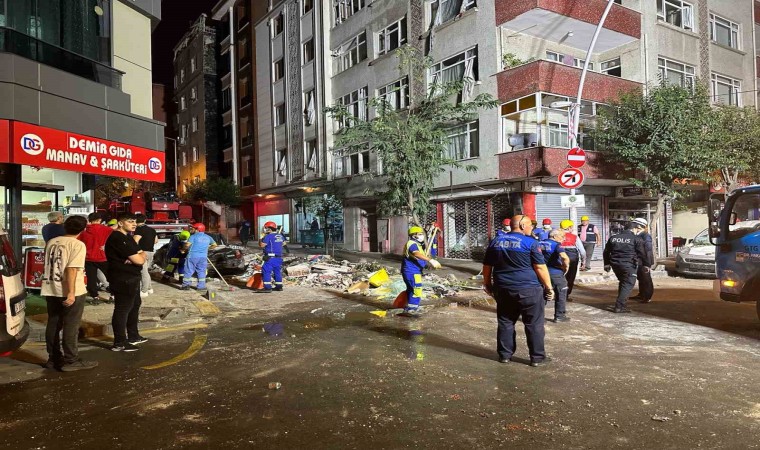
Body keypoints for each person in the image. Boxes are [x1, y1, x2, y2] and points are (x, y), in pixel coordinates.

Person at [482, 215, 554, 366]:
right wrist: (549, 287)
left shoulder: (495, 242)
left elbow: (487, 265)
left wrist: (487, 283)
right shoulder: (531, 243)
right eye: (529, 226)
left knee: (505, 321)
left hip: (503, 288)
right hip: (529, 289)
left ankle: (504, 355)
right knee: (534, 324)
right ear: (521, 226)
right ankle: (537, 358)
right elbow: (540, 267)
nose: (531, 228)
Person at [41, 215, 98, 371]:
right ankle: (71, 360)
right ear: (83, 229)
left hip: (51, 288)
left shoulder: (52, 242)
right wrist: (71, 293)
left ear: (65, 226)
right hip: (71, 290)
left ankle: (53, 359)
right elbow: (72, 269)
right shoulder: (77, 245)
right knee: (71, 325)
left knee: (53, 323)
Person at [105, 213, 147, 352]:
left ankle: (133, 336)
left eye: (135, 221)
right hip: (123, 279)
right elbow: (140, 259)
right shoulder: (117, 237)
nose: (134, 224)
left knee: (135, 305)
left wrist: (137, 256)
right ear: (121, 223)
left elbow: (142, 254)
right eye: (130, 221)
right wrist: (137, 257)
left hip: (132, 277)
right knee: (122, 309)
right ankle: (119, 342)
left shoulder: (127, 237)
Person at [603, 218, 651, 313]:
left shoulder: (613, 238)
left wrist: (606, 264)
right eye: (638, 229)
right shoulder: (636, 239)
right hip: (629, 265)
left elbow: (606, 251)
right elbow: (642, 253)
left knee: (623, 282)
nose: (638, 231)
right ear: (635, 228)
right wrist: (646, 265)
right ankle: (620, 306)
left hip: (615, 265)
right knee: (628, 283)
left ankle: (621, 304)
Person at [400, 226, 442, 316]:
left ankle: (408, 308)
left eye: (422, 234)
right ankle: (412, 310)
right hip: (412, 272)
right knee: (417, 290)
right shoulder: (412, 244)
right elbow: (416, 254)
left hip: (410, 271)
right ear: (414, 236)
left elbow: (417, 257)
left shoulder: (417, 244)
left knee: (411, 290)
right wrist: (430, 260)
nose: (422, 236)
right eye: (420, 234)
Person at [78, 212, 113, 300]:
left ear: (89, 220)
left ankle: (94, 296)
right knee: (110, 276)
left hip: (88, 258)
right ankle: (113, 294)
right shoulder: (107, 230)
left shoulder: (83, 231)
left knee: (91, 278)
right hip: (103, 257)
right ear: (100, 220)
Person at [539, 229, 571, 322]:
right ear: (554, 236)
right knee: (561, 292)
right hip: (555, 273)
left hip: (542, 273)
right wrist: (566, 266)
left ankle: (539, 317)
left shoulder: (539, 243)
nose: (563, 239)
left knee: (543, 294)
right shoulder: (556, 245)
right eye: (562, 236)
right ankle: (559, 316)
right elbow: (564, 257)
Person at [182, 223, 217, 291]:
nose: (192, 229)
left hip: (192, 256)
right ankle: (201, 286)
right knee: (201, 271)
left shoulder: (193, 236)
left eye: (194, 228)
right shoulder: (208, 237)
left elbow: (187, 245)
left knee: (188, 271)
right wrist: (206, 249)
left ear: (198, 229)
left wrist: (183, 248)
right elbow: (214, 245)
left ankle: (186, 285)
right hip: (203, 257)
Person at [253, 221, 286, 293]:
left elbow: (262, 245)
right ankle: (279, 286)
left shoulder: (268, 237)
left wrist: (261, 238)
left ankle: (267, 288)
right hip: (278, 257)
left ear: (270, 229)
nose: (265, 229)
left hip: (270, 258)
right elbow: (283, 243)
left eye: (266, 228)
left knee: (266, 271)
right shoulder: (280, 236)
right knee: (277, 272)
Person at [559, 220, 586, 300]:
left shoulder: (556, 236)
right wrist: (583, 261)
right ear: (570, 227)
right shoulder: (574, 237)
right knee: (570, 277)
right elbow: (582, 251)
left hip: (560, 258)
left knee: (559, 276)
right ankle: (566, 295)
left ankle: (558, 293)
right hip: (572, 258)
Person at [133, 215, 158, 298]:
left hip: (142, 252)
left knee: (143, 272)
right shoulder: (152, 229)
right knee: (146, 271)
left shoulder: (139, 229)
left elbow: (135, 241)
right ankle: (150, 288)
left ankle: (144, 291)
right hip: (151, 252)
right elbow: (156, 241)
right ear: (145, 220)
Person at [631, 220, 655, 303]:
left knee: (646, 279)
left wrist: (647, 264)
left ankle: (647, 297)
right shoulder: (638, 235)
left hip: (644, 261)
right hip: (639, 260)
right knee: (641, 278)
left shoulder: (645, 236)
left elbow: (648, 250)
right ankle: (641, 294)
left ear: (639, 226)